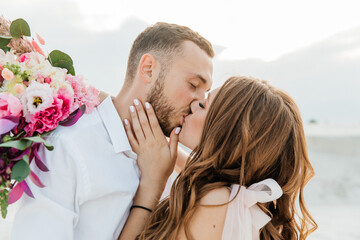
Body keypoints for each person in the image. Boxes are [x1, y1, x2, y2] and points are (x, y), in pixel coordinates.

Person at [11, 22, 214, 240]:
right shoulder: (69, 146)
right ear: (148, 69)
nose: (198, 103)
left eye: (206, 93)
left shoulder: (172, 176)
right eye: (193, 85)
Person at [124, 76, 317, 240]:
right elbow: (198, 170)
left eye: (203, 105)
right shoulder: (235, 198)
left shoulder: (217, 201)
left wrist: (152, 183)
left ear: (227, 134)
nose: (192, 104)